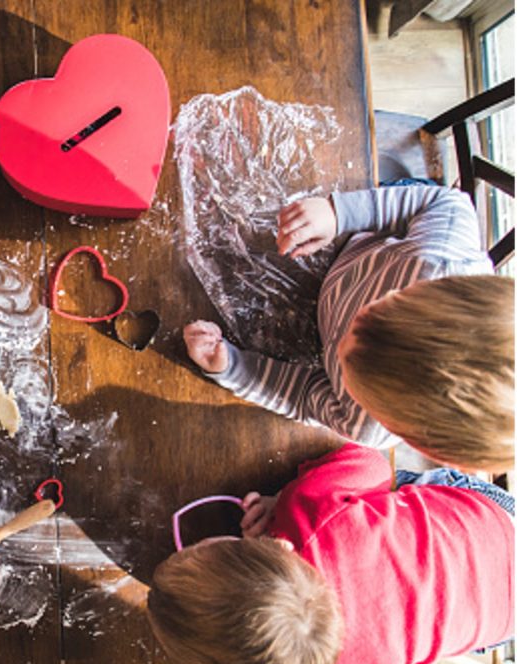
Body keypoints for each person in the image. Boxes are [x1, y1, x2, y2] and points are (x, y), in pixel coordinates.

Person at [183, 185, 514, 471]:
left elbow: (304, 396)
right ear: (418, 288)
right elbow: (442, 202)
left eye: (348, 365)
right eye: (379, 307)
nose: (344, 342)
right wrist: (338, 213)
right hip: (356, 246)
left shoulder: (365, 426)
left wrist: (234, 368)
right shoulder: (438, 259)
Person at [148, 443, 514, 664]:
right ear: (277, 547)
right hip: (494, 528)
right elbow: (370, 462)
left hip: (501, 615)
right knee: (380, 493)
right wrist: (286, 496)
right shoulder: (312, 509)